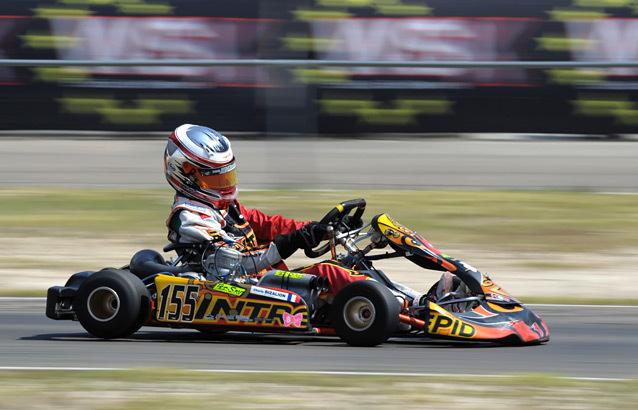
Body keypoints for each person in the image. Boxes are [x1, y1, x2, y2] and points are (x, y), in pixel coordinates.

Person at [164, 123, 368, 299]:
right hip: (240, 289)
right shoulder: (190, 217)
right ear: (186, 174)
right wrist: (293, 241)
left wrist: (321, 230)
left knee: (348, 266)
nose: (224, 185)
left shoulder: (223, 206)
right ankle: (388, 307)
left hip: (265, 282)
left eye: (226, 176)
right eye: (214, 178)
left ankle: (391, 302)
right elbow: (235, 262)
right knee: (330, 273)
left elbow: (269, 225)